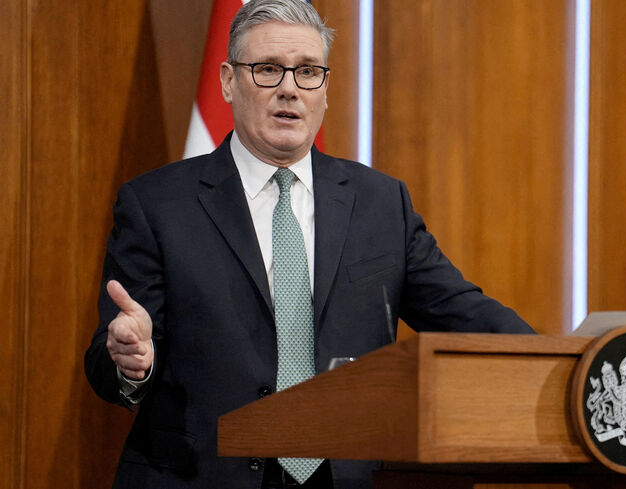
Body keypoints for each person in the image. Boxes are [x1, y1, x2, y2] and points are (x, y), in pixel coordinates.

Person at [84, 1, 535, 488]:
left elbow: (462, 312)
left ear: (325, 88)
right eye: (268, 69)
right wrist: (132, 362)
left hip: (346, 473)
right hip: (203, 474)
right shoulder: (157, 204)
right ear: (229, 82)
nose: (290, 89)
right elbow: (108, 362)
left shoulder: (381, 202)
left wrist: (559, 365)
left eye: (307, 71)